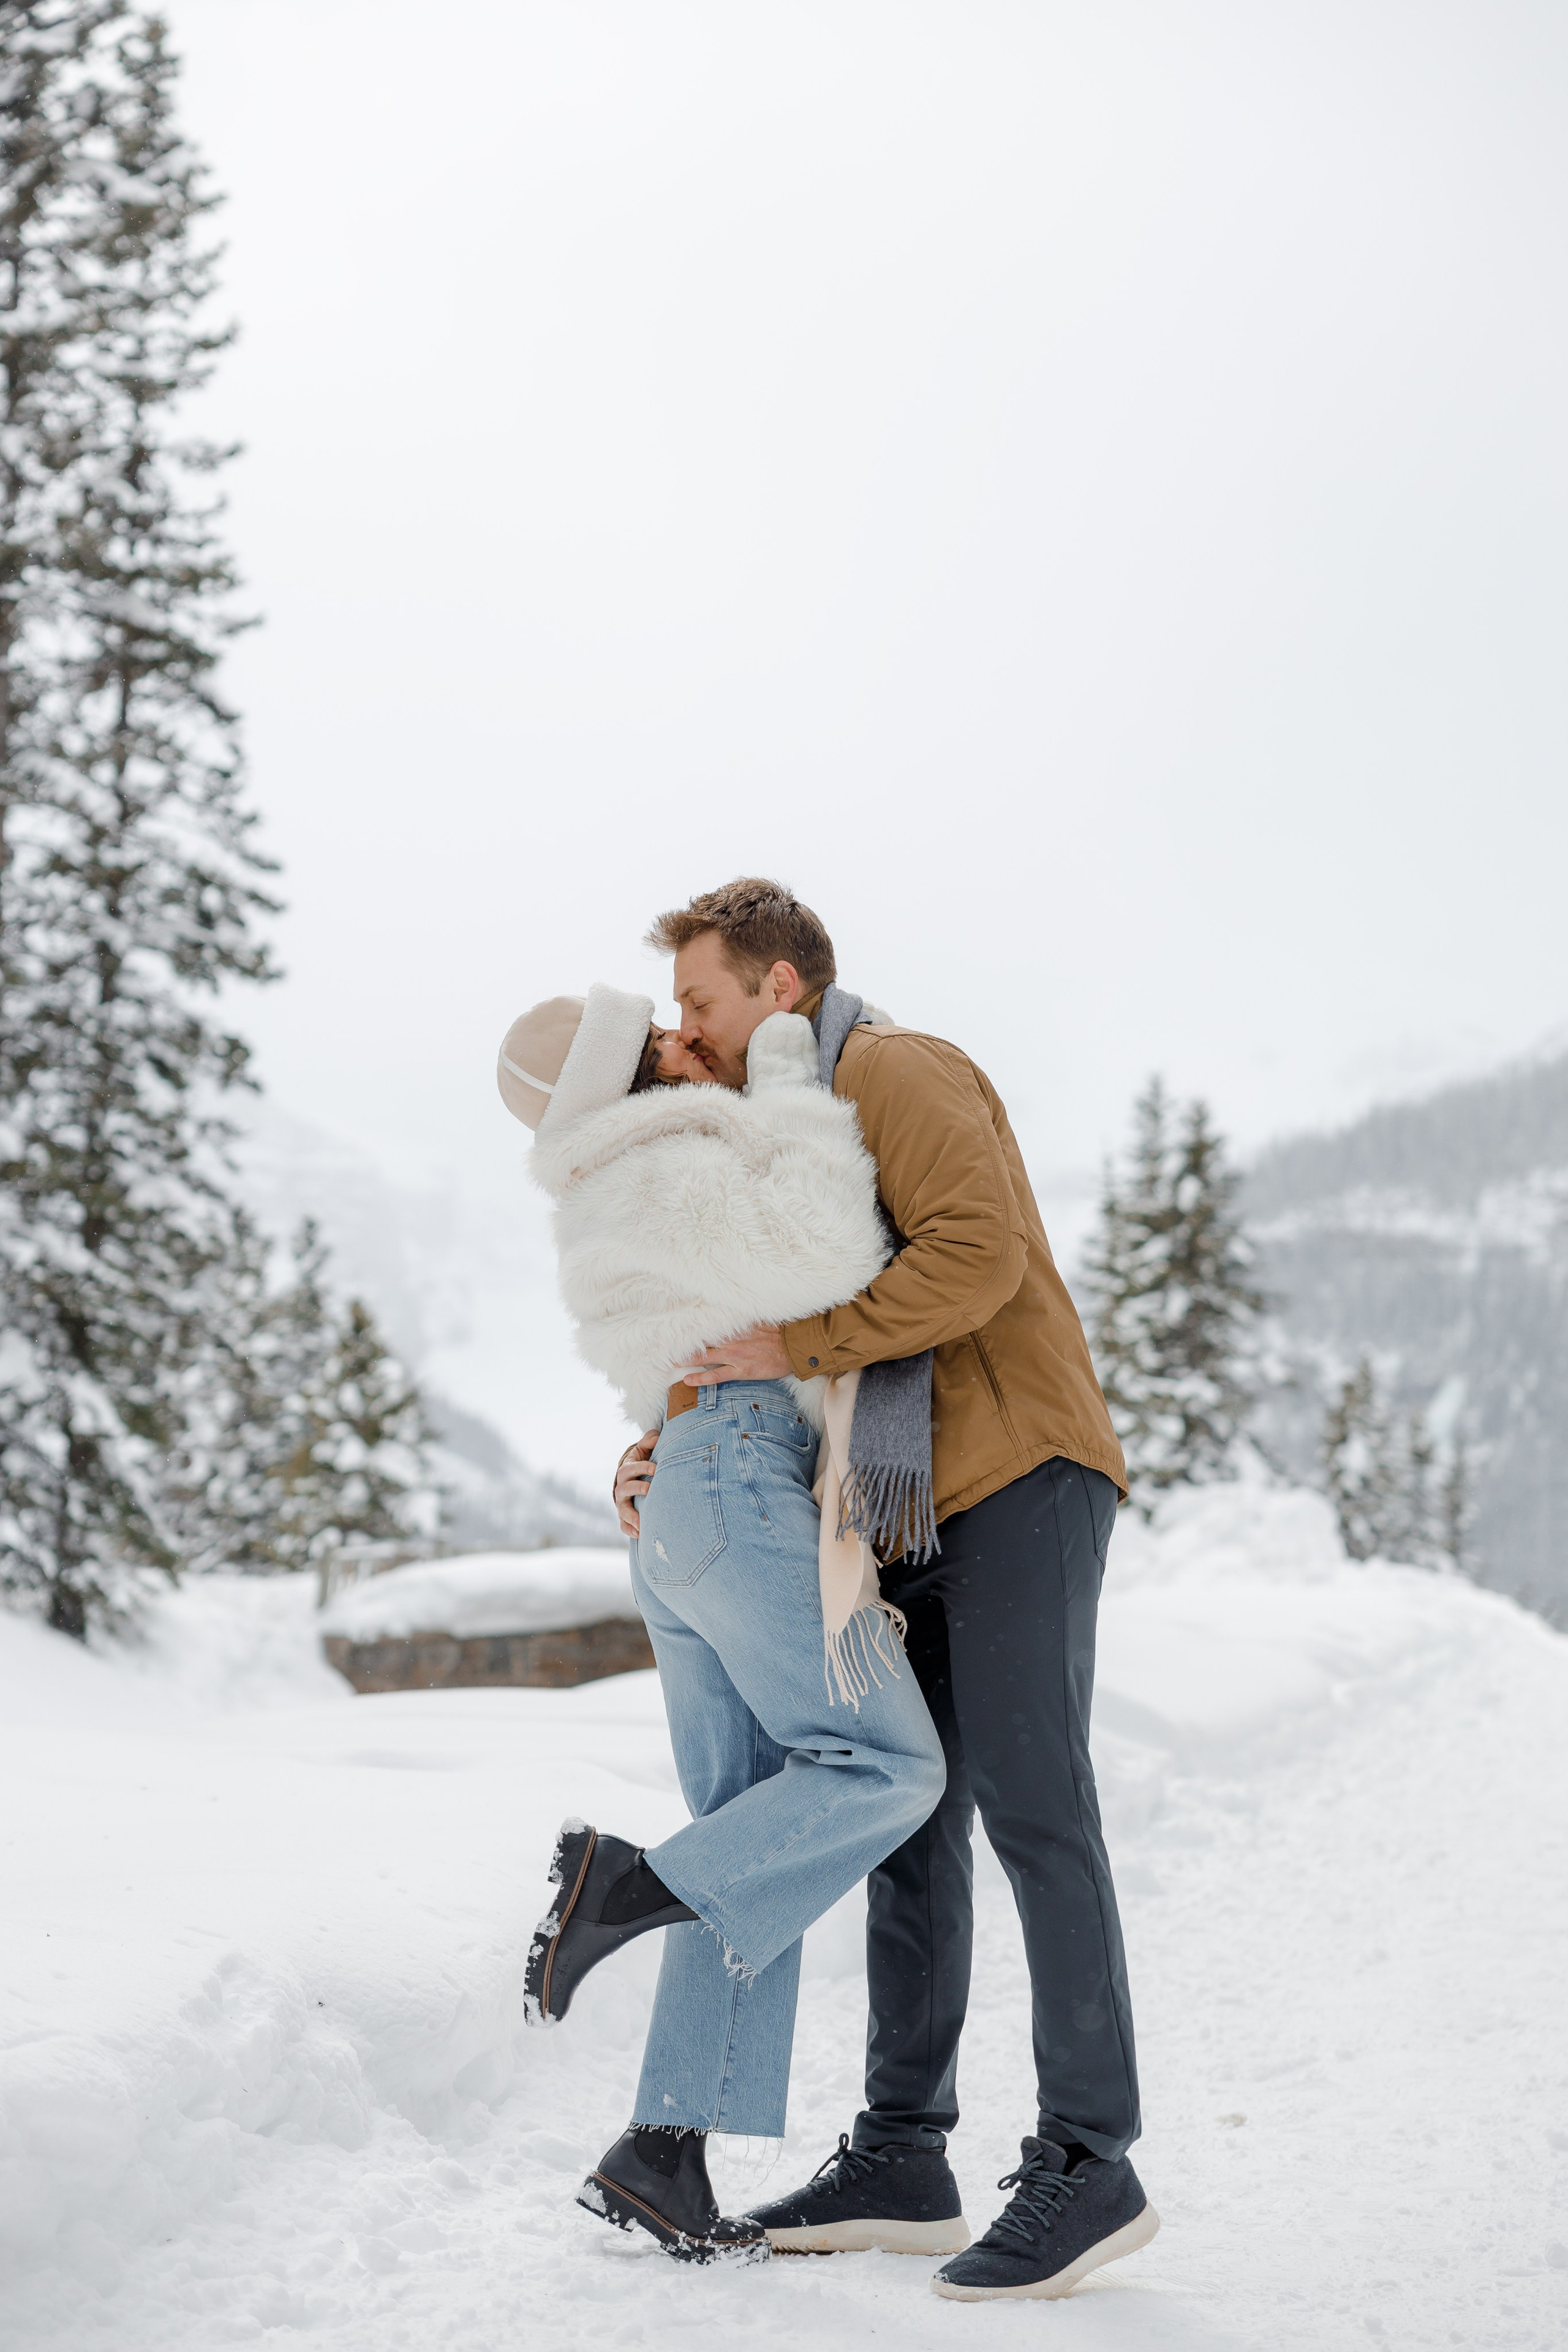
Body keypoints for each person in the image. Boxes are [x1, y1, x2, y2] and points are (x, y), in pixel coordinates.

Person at [614, 878, 1159, 2302]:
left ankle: (1091, 2159)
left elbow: (970, 1259)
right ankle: (902, 2154)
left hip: (1018, 1471)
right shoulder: (787, 1134)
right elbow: (763, 1346)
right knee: (911, 1816)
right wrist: (663, 1448)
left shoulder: (892, 1070)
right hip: (893, 1508)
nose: (694, 1031)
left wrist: (788, 1345)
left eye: (702, 1003)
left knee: (1037, 1809)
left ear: (777, 988)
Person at [496, 982, 948, 2264]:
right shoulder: (672, 1151)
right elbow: (828, 1249)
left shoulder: (603, 1184)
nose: (693, 1044)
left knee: (760, 1839)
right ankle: (625, 1889)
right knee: (885, 1766)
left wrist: (656, 1464)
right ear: (634, 1084)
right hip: (737, 1487)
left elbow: (680, 1363)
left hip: (688, 1502)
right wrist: (796, 1072)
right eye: (663, 1042)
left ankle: (662, 2153)